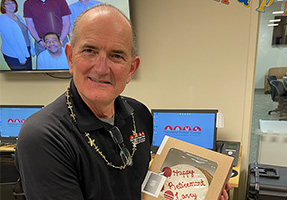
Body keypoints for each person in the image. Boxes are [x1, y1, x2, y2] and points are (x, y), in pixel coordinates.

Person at [15, 4, 230, 200]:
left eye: (116, 56)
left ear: (131, 69)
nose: (101, 68)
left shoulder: (139, 114)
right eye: (89, 51)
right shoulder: (43, 137)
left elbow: (145, 190)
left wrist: (200, 192)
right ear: (70, 58)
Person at [0, 0, 35, 70]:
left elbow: (26, 34)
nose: (11, 5)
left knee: (28, 75)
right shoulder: (3, 19)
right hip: (14, 54)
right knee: (20, 78)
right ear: (3, 7)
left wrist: (31, 49)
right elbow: (11, 41)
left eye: (12, 3)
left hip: (26, 50)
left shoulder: (18, 17)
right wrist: (21, 57)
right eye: (7, 4)